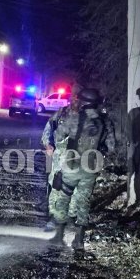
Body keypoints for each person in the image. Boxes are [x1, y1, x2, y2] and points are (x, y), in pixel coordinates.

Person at [42, 88, 115, 250]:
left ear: (82, 102)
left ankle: (59, 236)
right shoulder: (105, 122)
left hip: (71, 165)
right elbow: (110, 147)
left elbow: (59, 136)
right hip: (90, 167)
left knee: (62, 198)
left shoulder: (74, 118)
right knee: (84, 201)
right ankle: (79, 240)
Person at [40, 85, 82, 231]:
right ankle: (53, 217)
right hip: (59, 157)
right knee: (56, 187)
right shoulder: (61, 114)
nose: (75, 100)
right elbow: (48, 129)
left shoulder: (88, 116)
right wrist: (48, 145)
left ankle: (70, 217)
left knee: (76, 189)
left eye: (78, 97)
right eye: (74, 97)